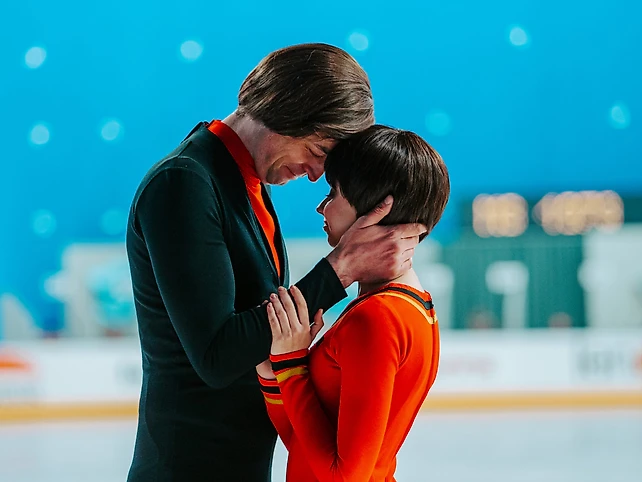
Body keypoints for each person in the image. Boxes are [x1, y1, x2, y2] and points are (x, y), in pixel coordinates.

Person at [125, 44, 426, 482]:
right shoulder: (184, 182)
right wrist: (340, 269)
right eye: (319, 149)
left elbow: (257, 336)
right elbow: (216, 356)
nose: (316, 174)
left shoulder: (245, 183)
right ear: (289, 110)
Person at [256, 125, 450, 482]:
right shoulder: (402, 307)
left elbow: (344, 476)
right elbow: (305, 446)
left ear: (377, 210)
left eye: (334, 193)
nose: (321, 206)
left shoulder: (379, 317)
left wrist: (291, 366)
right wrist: (277, 371)